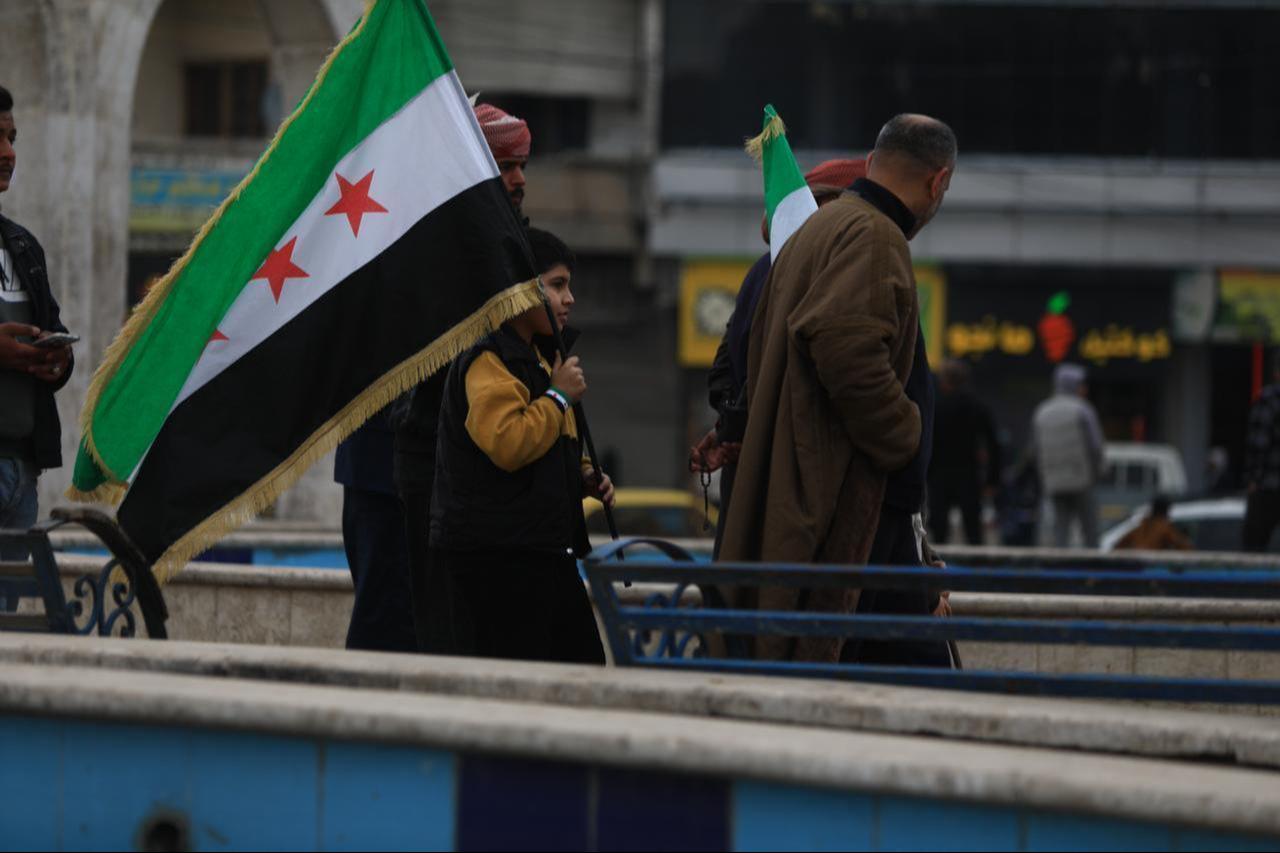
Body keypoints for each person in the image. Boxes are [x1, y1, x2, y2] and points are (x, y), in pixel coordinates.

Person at [718, 114, 957, 665]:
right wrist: (905, 434)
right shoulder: (873, 235)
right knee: (893, 689)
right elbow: (844, 348)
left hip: (828, 508)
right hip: (853, 513)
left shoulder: (822, 229)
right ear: (938, 181)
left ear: (872, 164)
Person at [427, 227, 611, 663]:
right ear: (520, 288)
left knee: (582, 667)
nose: (569, 299)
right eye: (557, 285)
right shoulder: (488, 360)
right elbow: (508, 444)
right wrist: (559, 395)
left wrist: (583, 476)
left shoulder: (540, 358)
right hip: (498, 560)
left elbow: (553, 440)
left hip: (543, 552)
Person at [394, 102, 533, 651]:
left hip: (486, 474)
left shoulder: (510, 239)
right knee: (442, 628)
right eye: (505, 166)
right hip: (433, 459)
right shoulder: (435, 245)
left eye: (522, 165)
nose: (519, 179)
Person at [695, 158, 867, 557]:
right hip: (796, 485)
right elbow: (786, 367)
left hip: (750, 475)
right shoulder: (820, 275)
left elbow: (724, 373)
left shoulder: (762, 270)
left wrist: (732, 429)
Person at [0, 85, 75, 610]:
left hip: (20, 473)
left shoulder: (21, 245)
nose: (9, 152)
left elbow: (53, 326)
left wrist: (57, 359)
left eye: (11, 137)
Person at [927, 359, 1001, 545]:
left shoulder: (935, 407)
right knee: (973, 531)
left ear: (944, 380)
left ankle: (936, 570)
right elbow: (993, 445)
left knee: (938, 533)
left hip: (938, 475)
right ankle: (975, 571)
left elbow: (926, 443)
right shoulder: (978, 407)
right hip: (969, 475)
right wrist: (992, 479)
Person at [1030, 363, 1104, 548]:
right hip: (1081, 479)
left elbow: (1035, 449)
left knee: (1060, 529)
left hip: (1054, 481)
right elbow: (1096, 446)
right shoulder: (1083, 410)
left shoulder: (1042, 411)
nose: (1084, 389)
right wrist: (1098, 472)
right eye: (1082, 384)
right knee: (1090, 529)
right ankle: (1093, 571)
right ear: (1075, 385)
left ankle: (1060, 571)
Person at [1244, 352, 1280, 552]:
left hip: (1269, 486)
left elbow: (1258, 444)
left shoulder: (1269, 398)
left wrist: (1253, 480)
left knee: (1255, 547)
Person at [1114, 495, 1191, 551]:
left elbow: (1118, 546)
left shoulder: (1141, 526)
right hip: (1151, 568)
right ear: (1166, 511)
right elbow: (1185, 547)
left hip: (1138, 567)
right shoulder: (1163, 527)